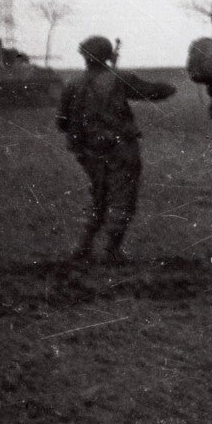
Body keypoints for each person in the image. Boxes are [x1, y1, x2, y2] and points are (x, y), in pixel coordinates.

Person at [54, 35, 176, 265]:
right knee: (122, 198)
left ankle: (84, 246)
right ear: (108, 56)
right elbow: (151, 91)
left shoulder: (72, 84)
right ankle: (112, 249)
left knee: (98, 196)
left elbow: (61, 122)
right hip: (119, 149)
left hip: (87, 152)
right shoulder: (118, 78)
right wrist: (170, 87)